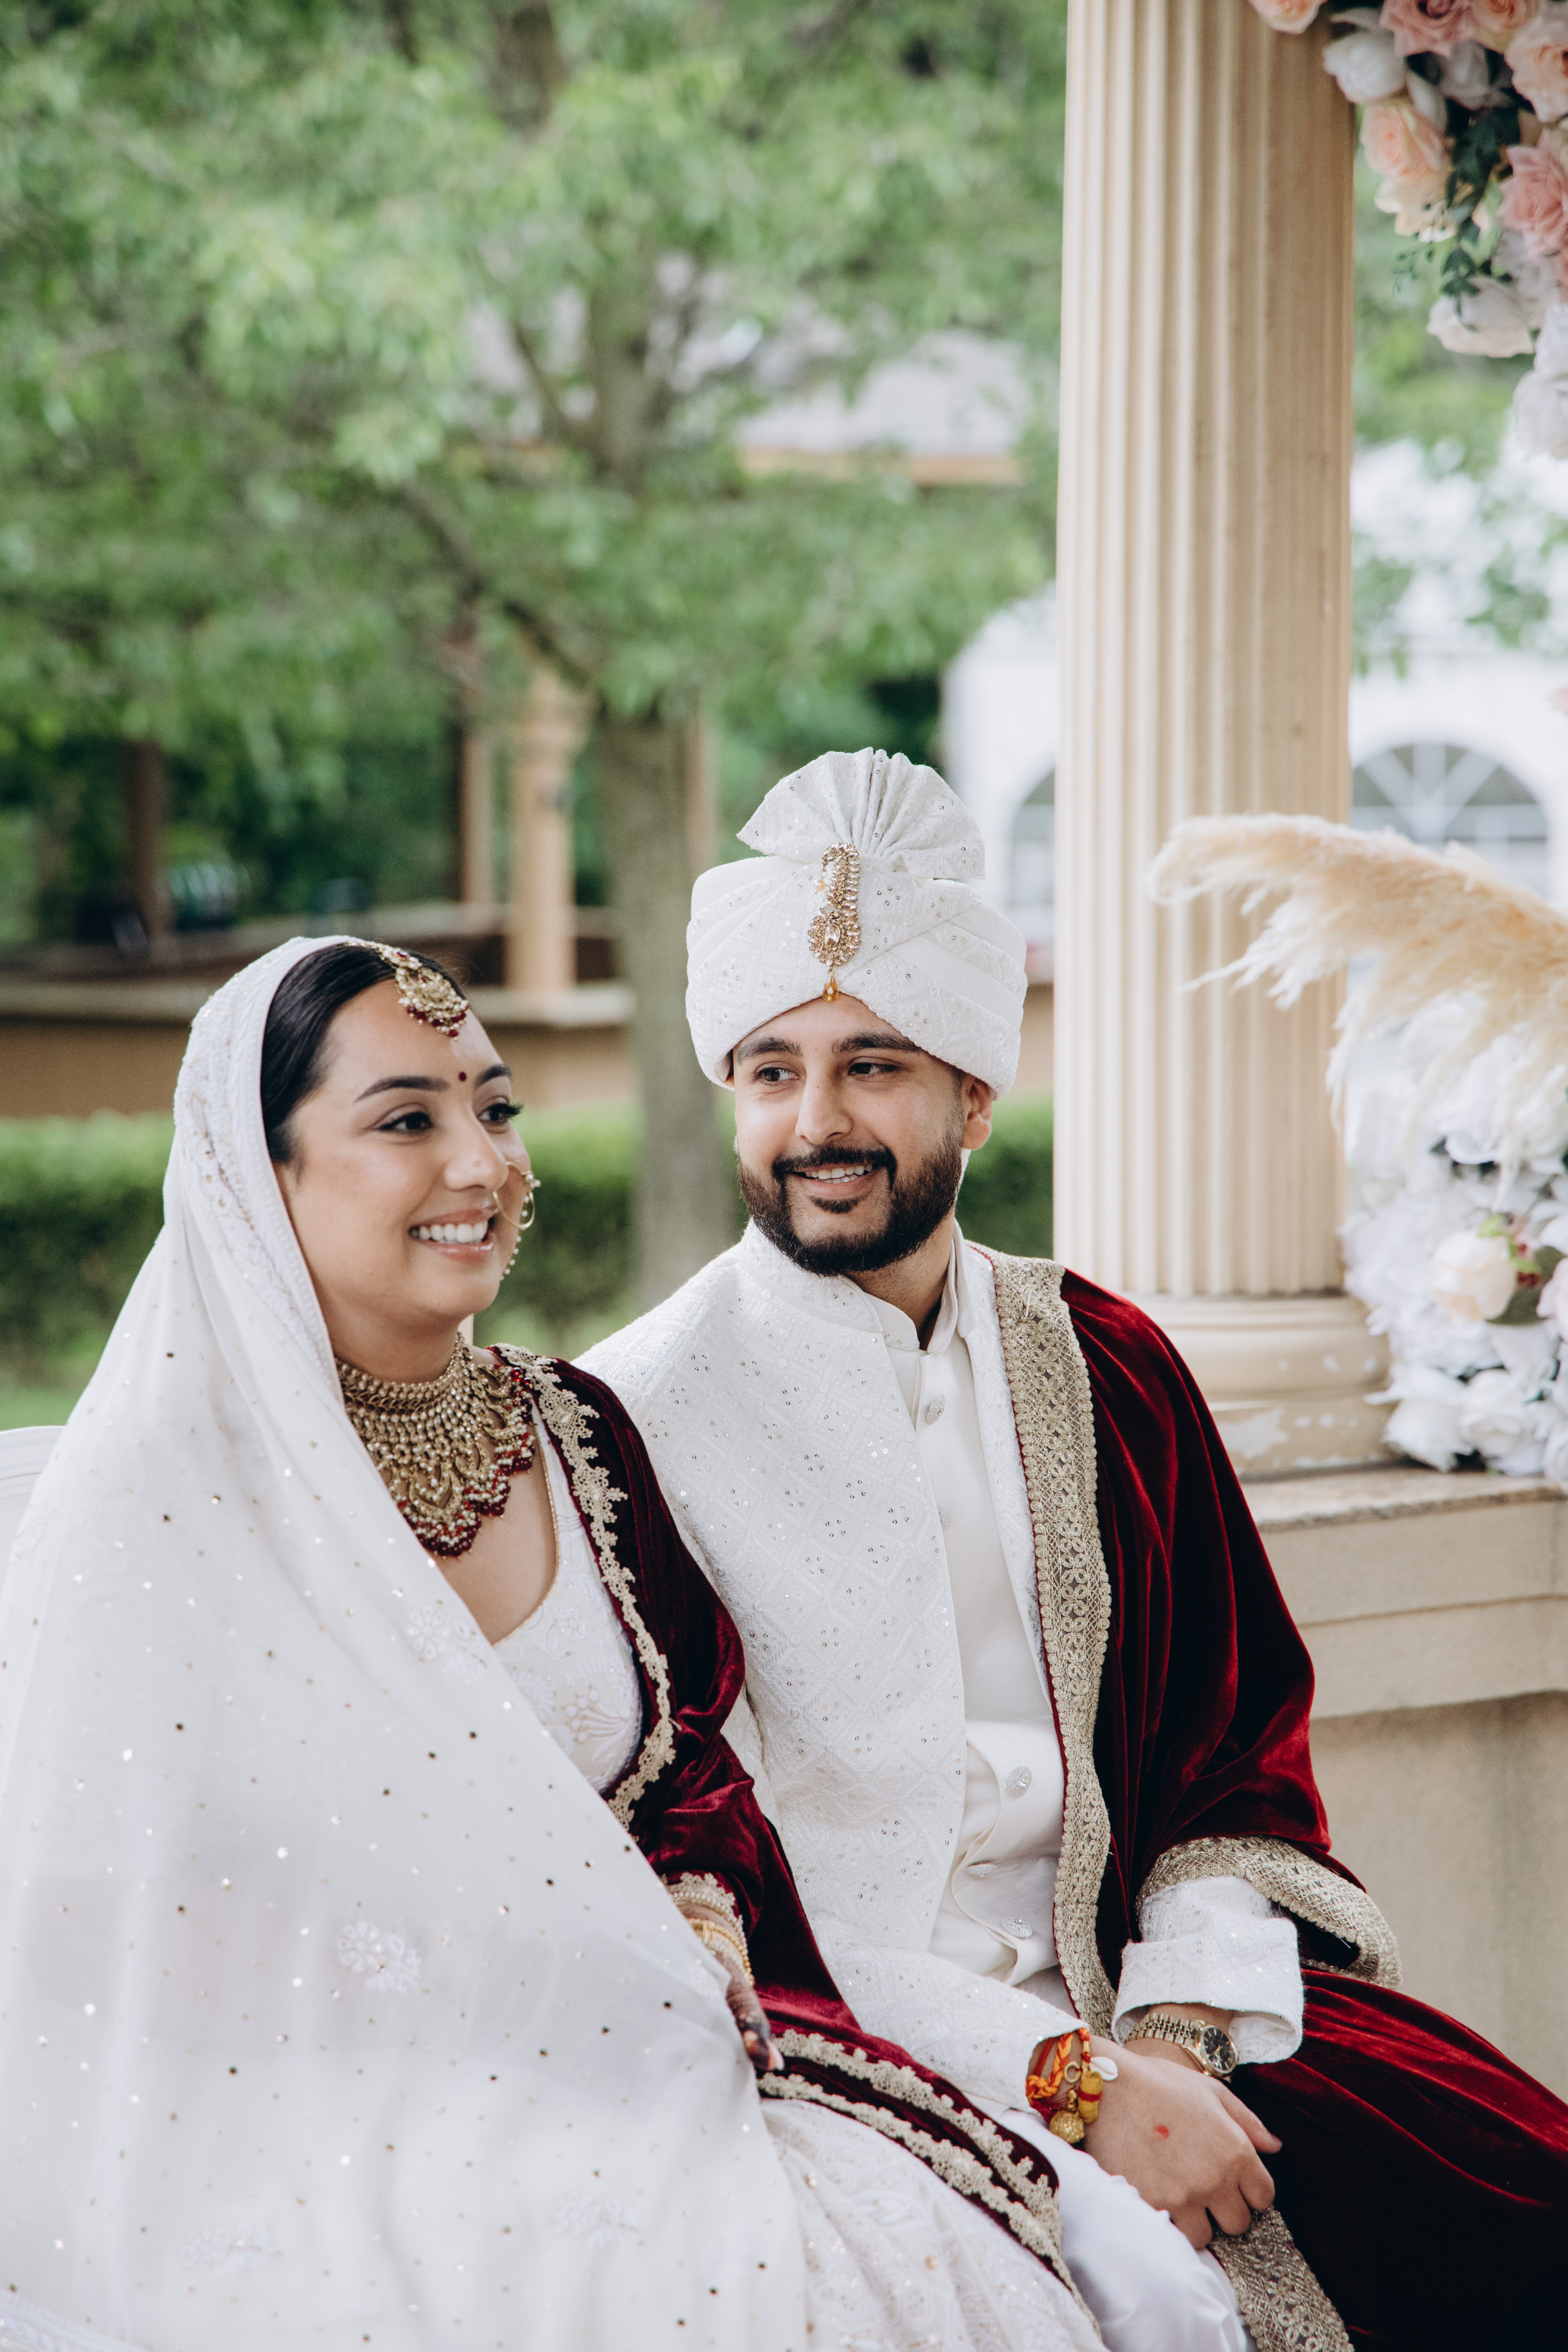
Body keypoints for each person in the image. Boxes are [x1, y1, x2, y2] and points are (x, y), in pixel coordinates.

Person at [583, 746, 1568, 2352]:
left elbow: (1231, 1760)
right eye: (770, 1071)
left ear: (974, 1097)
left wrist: (1172, 2032)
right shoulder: (627, 1422)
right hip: (852, 2048)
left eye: (872, 1065)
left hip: (1149, 1987)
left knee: (1517, 2205)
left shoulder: (1097, 1360)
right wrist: (1076, 2084)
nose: (816, 1122)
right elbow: (692, 1875)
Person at [0, 929, 1097, 2352]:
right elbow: (104, 1915)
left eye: (497, 1108)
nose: (484, 1164)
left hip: (640, 2062)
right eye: (407, 1121)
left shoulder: (574, 1431)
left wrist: (693, 1918)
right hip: (307, 2119)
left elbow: (688, 1764)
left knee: (944, 2269)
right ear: (257, 1173)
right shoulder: (166, 1500)